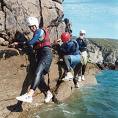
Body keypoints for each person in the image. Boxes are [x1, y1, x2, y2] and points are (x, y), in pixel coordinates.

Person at [16, 16, 53, 103]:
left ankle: (29, 95)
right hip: (40, 55)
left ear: (36, 25)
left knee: (37, 73)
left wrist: (20, 43)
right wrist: (19, 45)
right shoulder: (36, 34)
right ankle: (49, 93)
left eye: (33, 26)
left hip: (46, 54)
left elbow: (31, 42)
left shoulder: (39, 31)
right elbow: (32, 45)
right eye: (30, 27)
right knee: (39, 78)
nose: (32, 28)